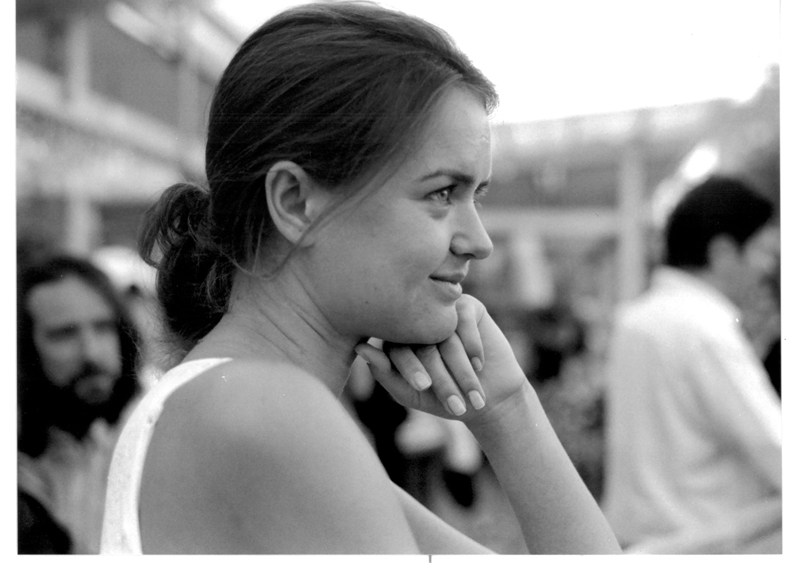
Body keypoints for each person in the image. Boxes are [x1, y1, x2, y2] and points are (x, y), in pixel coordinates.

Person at [100, 2, 621, 554]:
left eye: (477, 196)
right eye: (442, 193)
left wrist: (507, 406)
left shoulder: (249, 408)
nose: (479, 241)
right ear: (296, 202)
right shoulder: (271, 414)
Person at [602, 175, 781, 553]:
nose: (768, 268)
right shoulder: (708, 329)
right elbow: (778, 453)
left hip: (634, 541)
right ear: (723, 252)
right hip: (696, 544)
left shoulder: (634, 319)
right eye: (764, 252)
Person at [17, 254, 143, 553]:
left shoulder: (158, 428)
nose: (91, 353)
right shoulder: (22, 456)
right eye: (64, 334)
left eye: (103, 327)